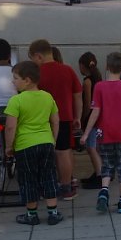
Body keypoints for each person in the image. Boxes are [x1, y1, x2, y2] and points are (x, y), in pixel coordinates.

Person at [3, 61, 63, 226]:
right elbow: (56, 121)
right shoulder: (47, 96)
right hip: (46, 142)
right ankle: (53, 212)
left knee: (28, 179)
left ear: (27, 80)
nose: (12, 81)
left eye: (15, 78)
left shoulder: (16, 101)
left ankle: (32, 214)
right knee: (49, 176)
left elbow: (10, 126)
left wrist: (9, 146)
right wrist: (53, 140)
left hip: (25, 145)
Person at [80, 52, 121, 214]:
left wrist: (86, 134)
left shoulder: (99, 87)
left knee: (107, 164)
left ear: (107, 66)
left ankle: (104, 191)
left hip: (105, 134)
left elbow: (95, 112)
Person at [28, 39, 82, 200]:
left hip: (41, 118)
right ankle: (66, 187)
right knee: (64, 151)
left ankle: (46, 186)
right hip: (65, 116)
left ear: (38, 56)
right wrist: (77, 116)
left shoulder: (36, 74)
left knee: (43, 154)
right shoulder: (68, 70)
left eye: (32, 58)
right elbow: (78, 95)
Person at [78, 52, 103, 189]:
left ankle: (100, 176)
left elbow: (88, 104)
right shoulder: (98, 78)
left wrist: (83, 119)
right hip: (99, 117)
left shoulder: (87, 81)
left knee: (91, 147)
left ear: (83, 65)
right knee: (95, 147)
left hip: (91, 118)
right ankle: (98, 172)